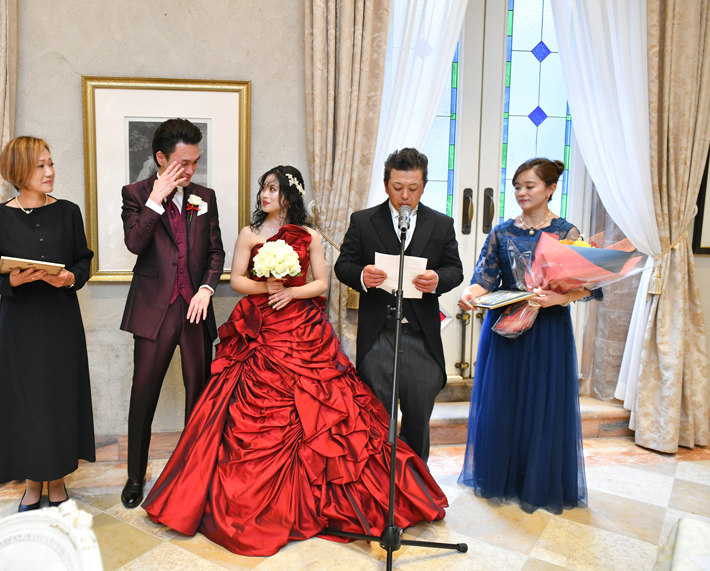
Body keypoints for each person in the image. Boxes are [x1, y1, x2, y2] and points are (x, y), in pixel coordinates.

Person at [142, 166, 449, 556]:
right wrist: (265, 286)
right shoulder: (249, 233)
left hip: (302, 328)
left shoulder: (310, 236)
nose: (265, 194)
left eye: (273, 188)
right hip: (259, 328)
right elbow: (236, 279)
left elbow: (321, 282)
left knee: (325, 412)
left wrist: (293, 292)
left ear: (289, 194)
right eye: (263, 188)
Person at [457, 157, 596, 514]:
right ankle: (501, 478)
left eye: (529, 186)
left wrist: (559, 298)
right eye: (517, 186)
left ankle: (537, 482)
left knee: (543, 405)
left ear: (550, 189)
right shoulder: (501, 232)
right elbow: (485, 279)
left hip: (547, 330)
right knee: (502, 402)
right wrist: (469, 294)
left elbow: (588, 286)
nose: (521, 192)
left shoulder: (567, 233)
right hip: (505, 329)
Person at [0, 136, 96, 511]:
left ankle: (57, 480)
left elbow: (83, 260)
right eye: (40, 165)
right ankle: (31, 483)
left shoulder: (69, 212)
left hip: (61, 322)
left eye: (51, 163)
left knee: (60, 399)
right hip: (21, 325)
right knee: (26, 402)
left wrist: (70, 278)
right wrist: (11, 280)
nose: (50, 171)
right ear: (19, 170)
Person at [119, 119, 225, 508]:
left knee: (198, 398)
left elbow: (215, 252)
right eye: (184, 163)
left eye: (196, 161)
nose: (191, 170)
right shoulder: (135, 194)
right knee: (142, 397)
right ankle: (135, 477)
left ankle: (192, 479)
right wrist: (156, 199)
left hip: (195, 312)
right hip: (153, 312)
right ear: (161, 159)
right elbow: (134, 243)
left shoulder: (205, 196)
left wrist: (206, 289)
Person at [335, 148, 463, 463]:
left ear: (424, 186)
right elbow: (344, 265)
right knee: (377, 421)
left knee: (417, 422)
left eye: (413, 188)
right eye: (398, 187)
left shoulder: (441, 224)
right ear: (385, 184)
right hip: (379, 335)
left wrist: (437, 279)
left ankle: (416, 485)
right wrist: (362, 275)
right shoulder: (364, 221)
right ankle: (379, 483)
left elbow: (455, 270)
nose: (405, 196)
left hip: (420, 337)